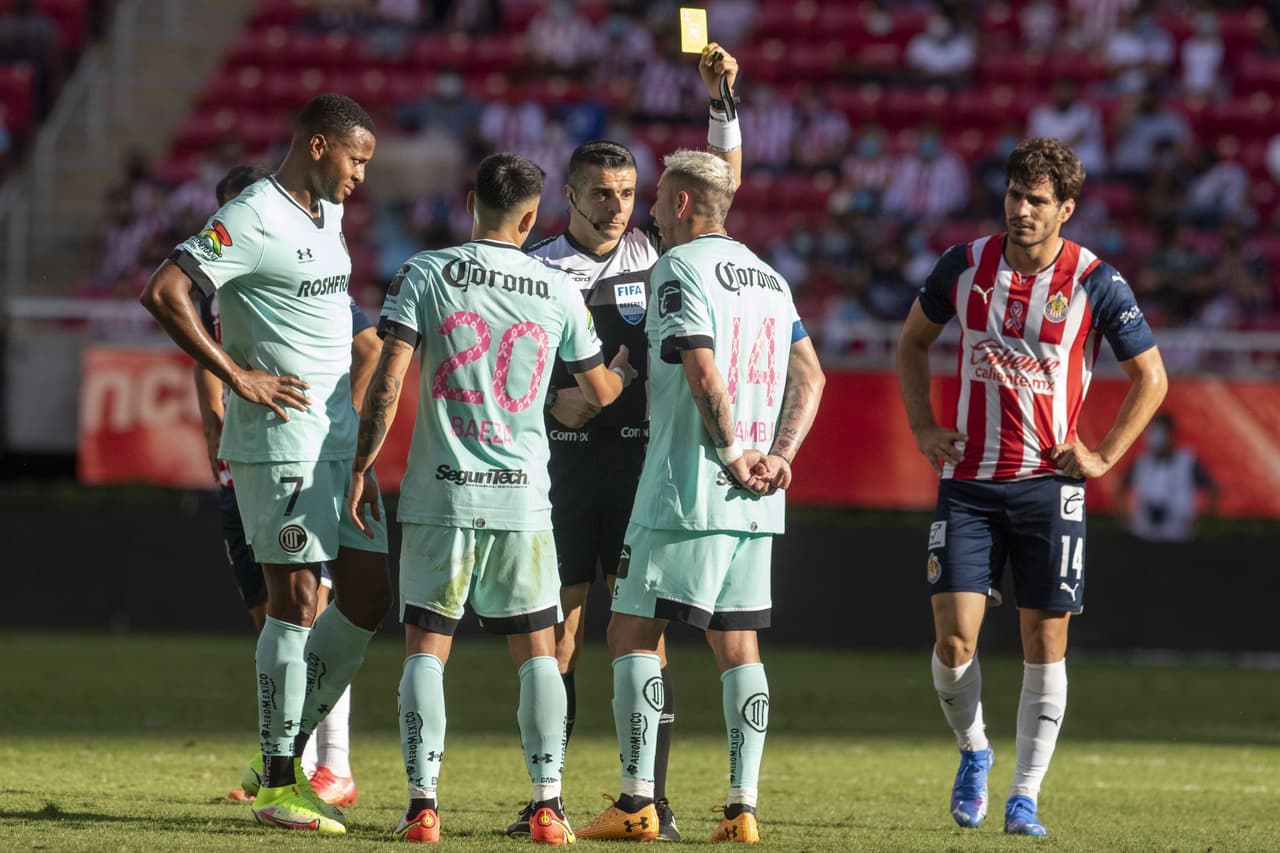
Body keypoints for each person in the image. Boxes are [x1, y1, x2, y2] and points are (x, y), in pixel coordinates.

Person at [346, 152, 635, 845]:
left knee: (426, 648)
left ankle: (423, 807)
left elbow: (387, 381)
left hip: (439, 494)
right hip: (523, 499)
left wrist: (360, 467)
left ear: (471, 203)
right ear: (532, 217)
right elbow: (599, 392)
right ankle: (548, 804)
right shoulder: (555, 287)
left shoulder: (425, 272)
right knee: (538, 652)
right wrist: (622, 376)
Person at [896, 137, 1168, 836]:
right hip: (969, 482)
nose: (1022, 209)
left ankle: (1025, 795)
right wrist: (923, 424)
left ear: (1065, 209)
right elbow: (912, 341)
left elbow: (1152, 377)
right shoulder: (964, 265)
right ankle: (974, 750)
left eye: (1037, 200)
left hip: (1050, 485)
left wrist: (1103, 455)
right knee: (954, 642)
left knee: (1044, 642)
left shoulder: (1096, 282)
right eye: (1015, 195)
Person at [140, 93, 392, 835]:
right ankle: (282, 782)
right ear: (317, 145)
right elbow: (165, 291)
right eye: (355, 158)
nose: (361, 175)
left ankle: (279, 747)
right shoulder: (251, 215)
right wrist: (237, 375)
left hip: (338, 440)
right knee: (296, 601)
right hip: (280, 440)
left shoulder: (329, 214)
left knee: (370, 595)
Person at [515, 42, 744, 842]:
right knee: (561, 635)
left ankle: (649, 798)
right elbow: (520, 371)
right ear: (569, 196)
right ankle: (548, 799)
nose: (616, 207)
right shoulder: (537, 269)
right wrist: (556, 405)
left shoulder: (658, 253)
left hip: (643, 469)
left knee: (644, 636)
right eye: (600, 194)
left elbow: (719, 188)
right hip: (564, 468)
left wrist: (721, 102)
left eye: (625, 193)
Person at [577, 150, 825, 844]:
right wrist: (779, 456)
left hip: (685, 487)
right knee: (738, 643)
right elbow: (812, 374)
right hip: (757, 500)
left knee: (631, 632)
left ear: (682, 203)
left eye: (657, 197)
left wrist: (731, 452)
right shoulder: (771, 278)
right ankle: (742, 809)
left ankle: (636, 803)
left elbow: (704, 372)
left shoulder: (677, 268)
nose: (650, 209)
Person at [191, 162, 381, 806]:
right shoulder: (226, 282)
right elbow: (201, 355)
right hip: (256, 461)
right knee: (283, 611)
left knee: (325, 606)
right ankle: (286, 765)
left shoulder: (303, 250)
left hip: (307, 453)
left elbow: (368, 346)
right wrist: (222, 407)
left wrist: (344, 418)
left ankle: (320, 762)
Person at [1118, 414, 1219, 542]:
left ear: (1170, 435)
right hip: (1143, 534)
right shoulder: (1141, 462)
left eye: (1159, 434)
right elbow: (1120, 487)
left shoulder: (1187, 462)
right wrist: (1125, 520)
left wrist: (1198, 523)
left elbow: (1214, 490)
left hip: (1177, 535)